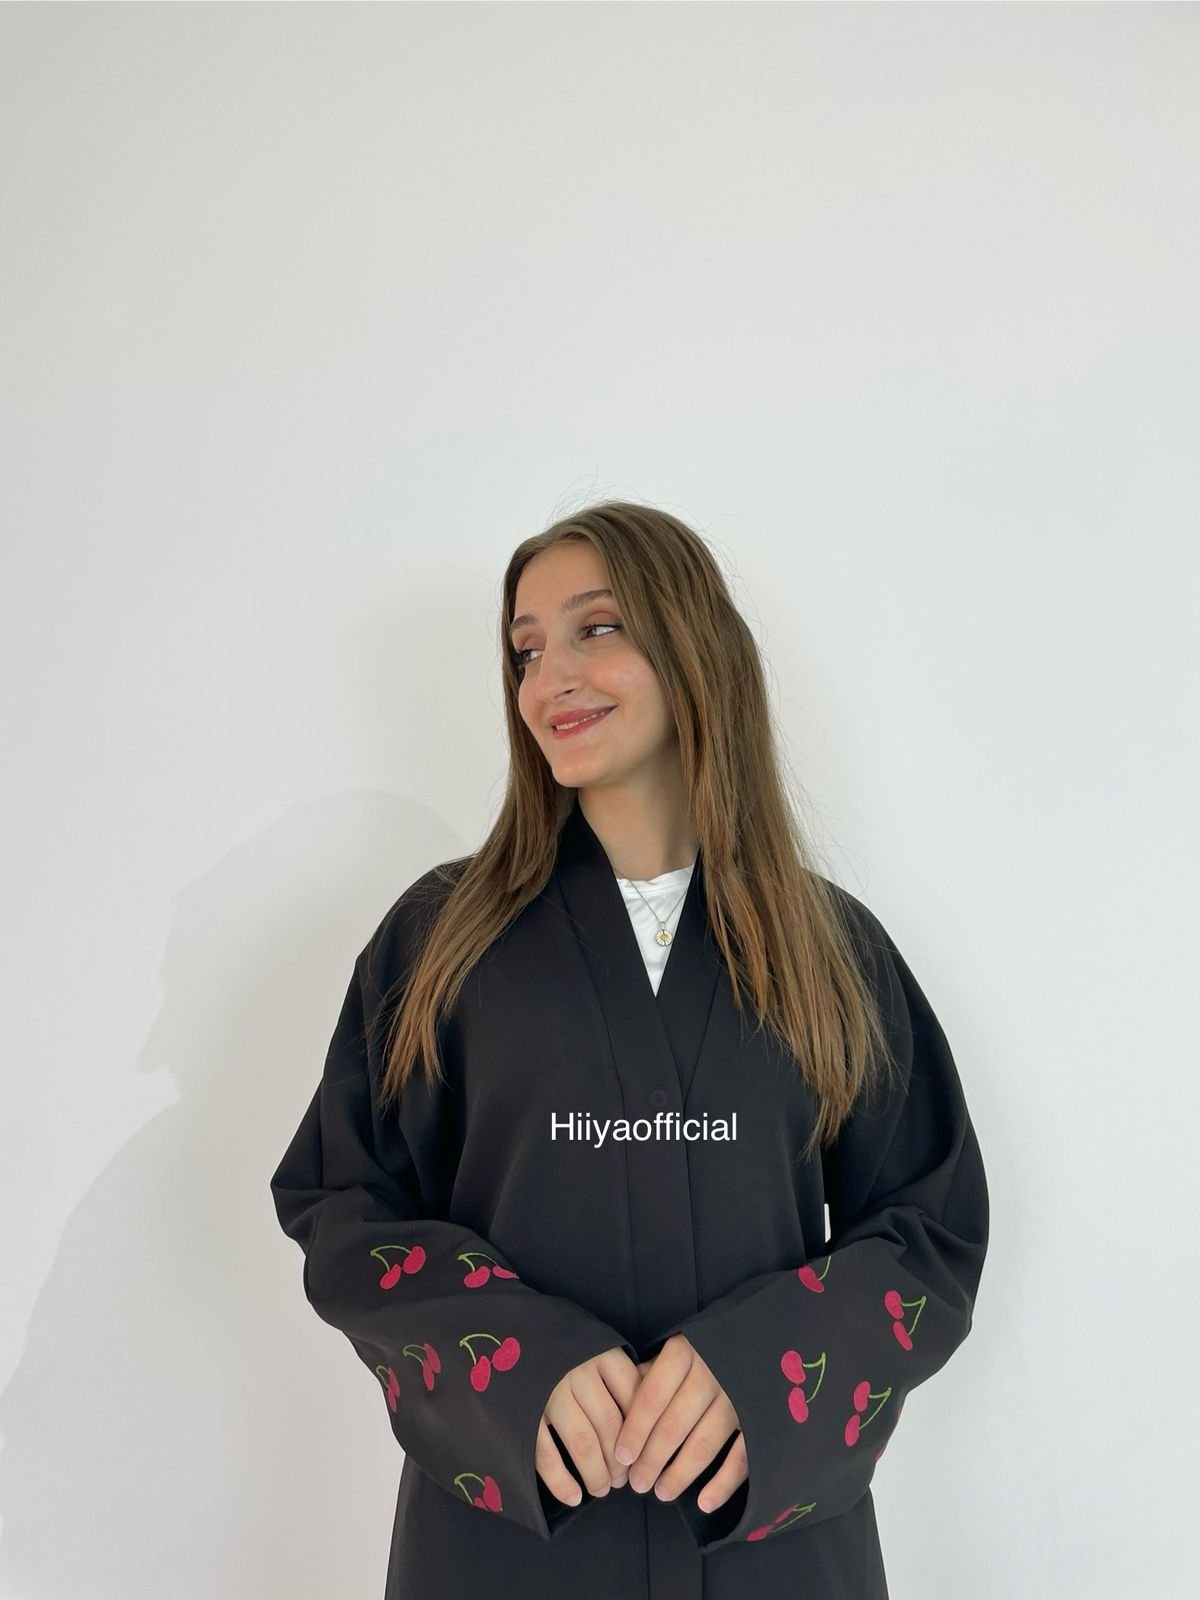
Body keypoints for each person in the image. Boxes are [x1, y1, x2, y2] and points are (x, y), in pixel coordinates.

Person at [269, 501, 990, 1600]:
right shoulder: (440, 938)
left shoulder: (829, 947)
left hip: (767, 1554)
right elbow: (343, 1204)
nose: (549, 676)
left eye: (595, 628)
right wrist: (512, 1363)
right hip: (509, 1554)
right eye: (525, 649)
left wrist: (764, 1371)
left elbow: (929, 1230)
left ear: (693, 645)